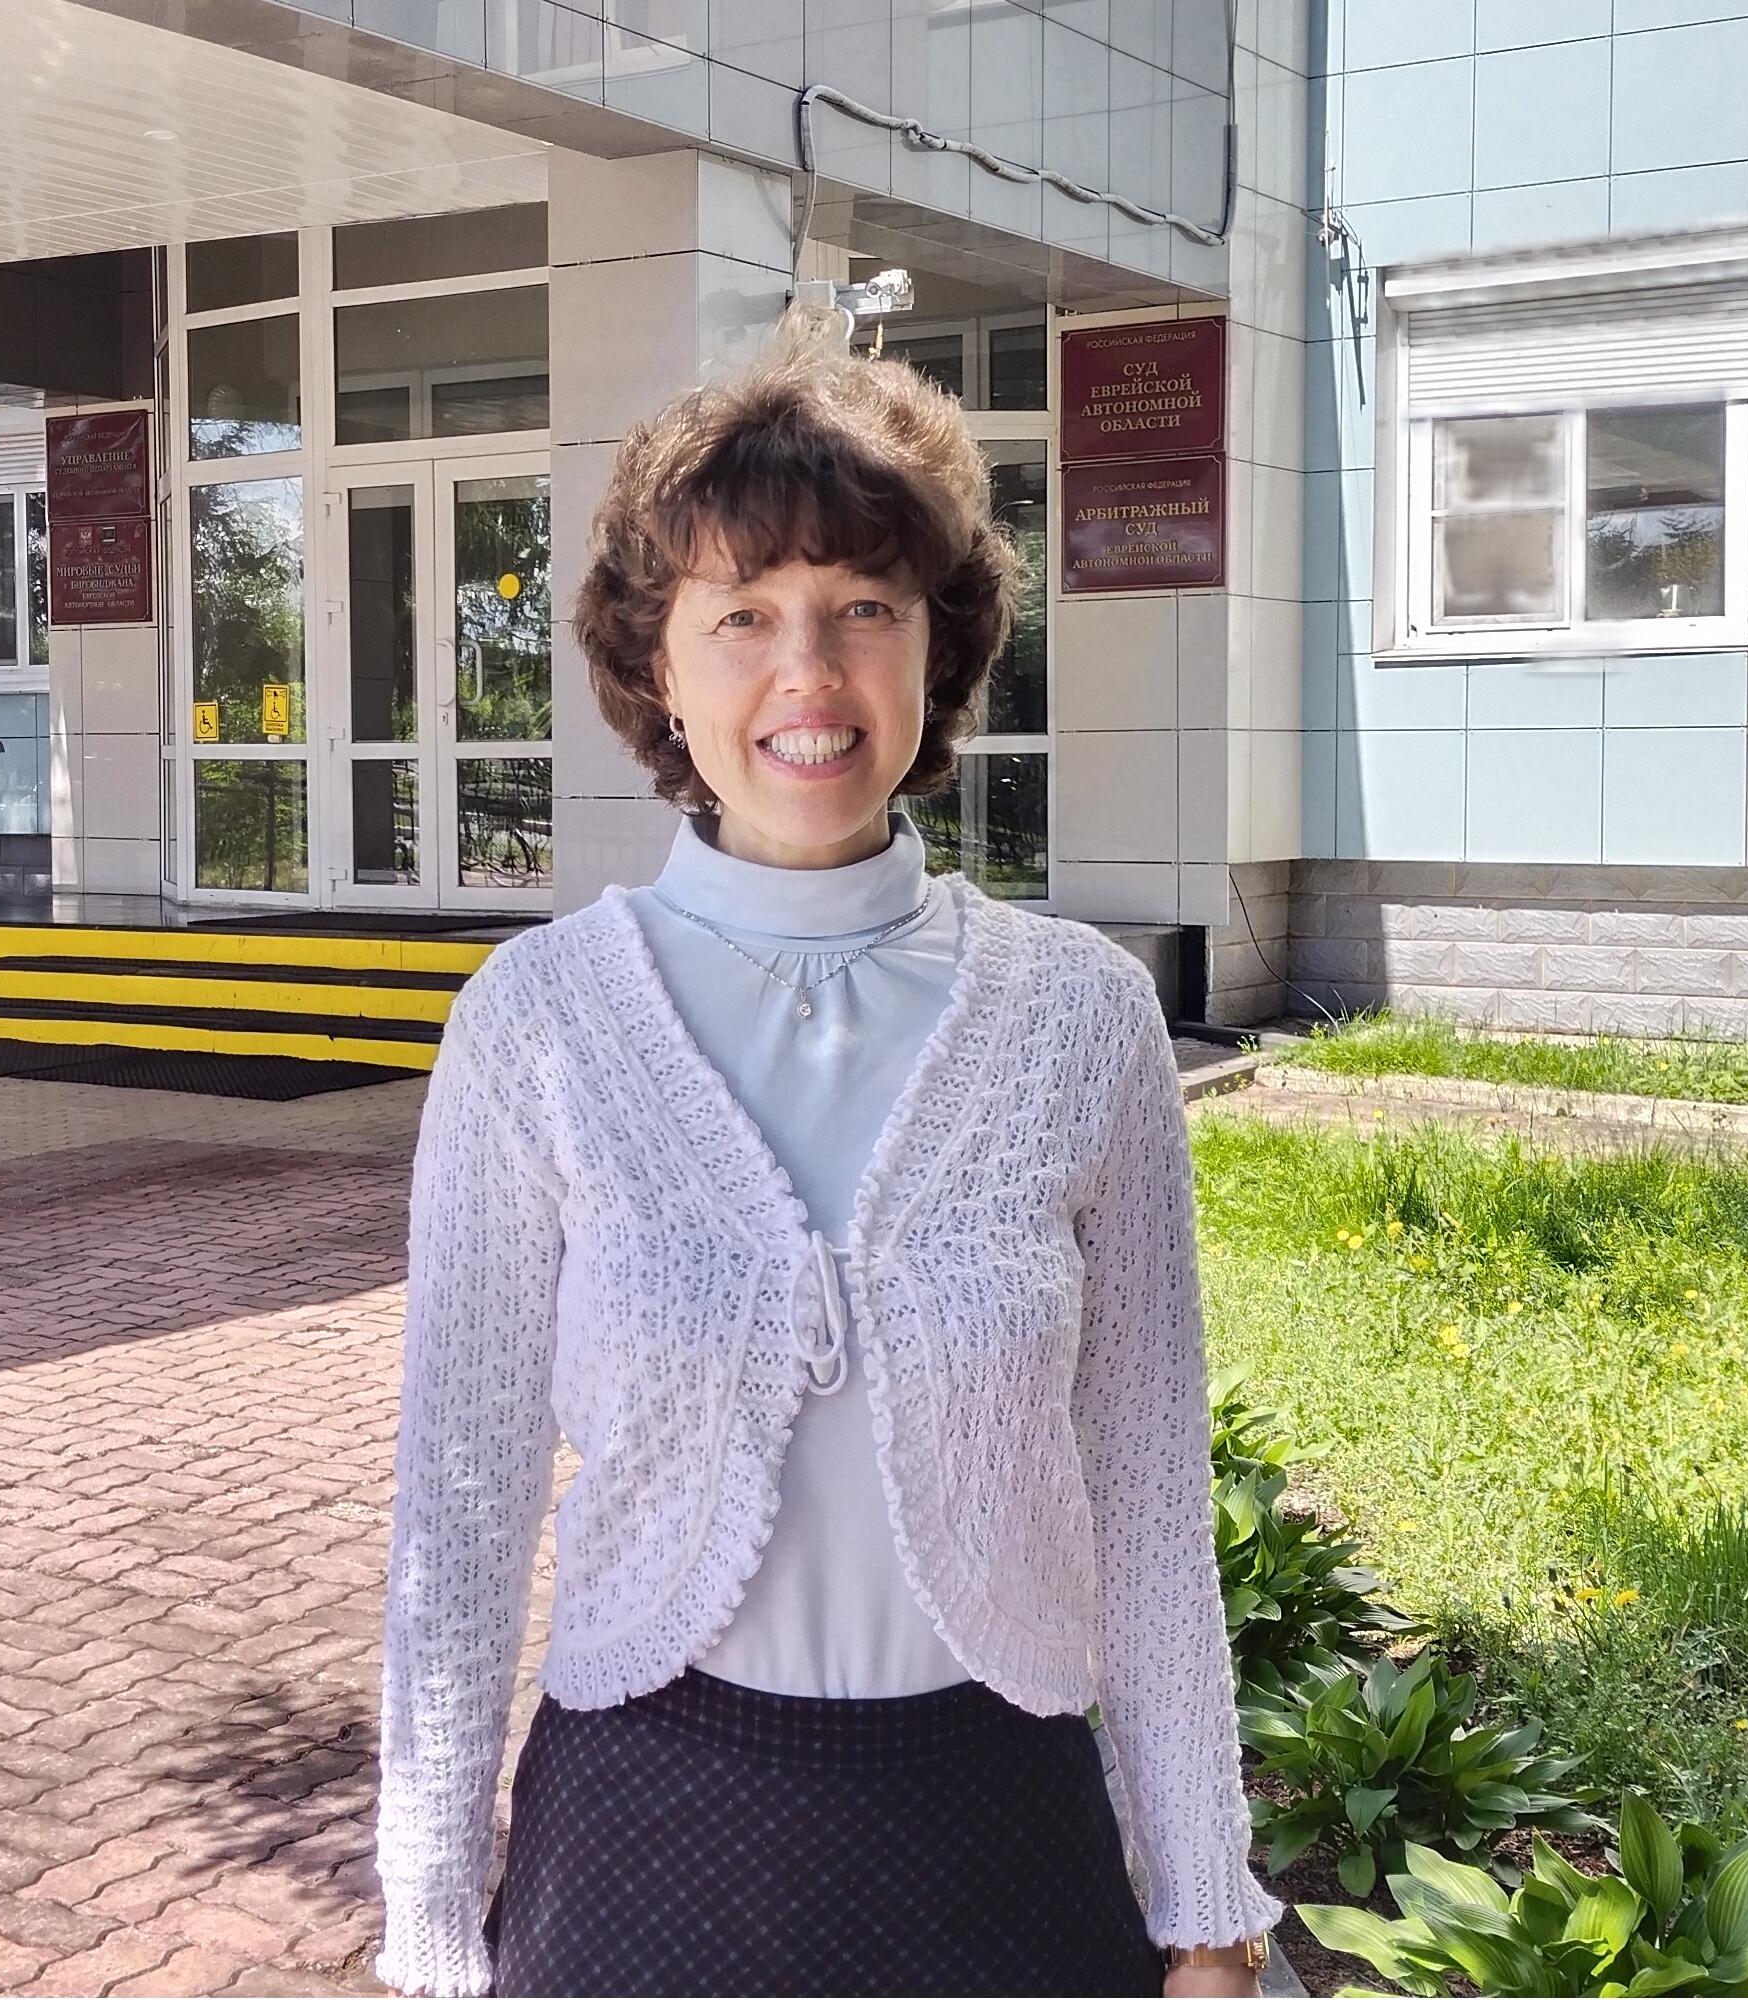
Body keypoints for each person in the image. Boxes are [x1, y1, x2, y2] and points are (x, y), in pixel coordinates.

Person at [370, 325, 1282, 1998]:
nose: (810, 671)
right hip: (642, 1839)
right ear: (658, 666)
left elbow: (1151, 1498)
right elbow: (461, 1505)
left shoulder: (1082, 1017)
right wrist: (428, 1926)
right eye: (743, 614)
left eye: (866, 605)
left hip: (1002, 1838)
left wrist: (1205, 1902)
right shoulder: (541, 1022)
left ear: (938, 647)